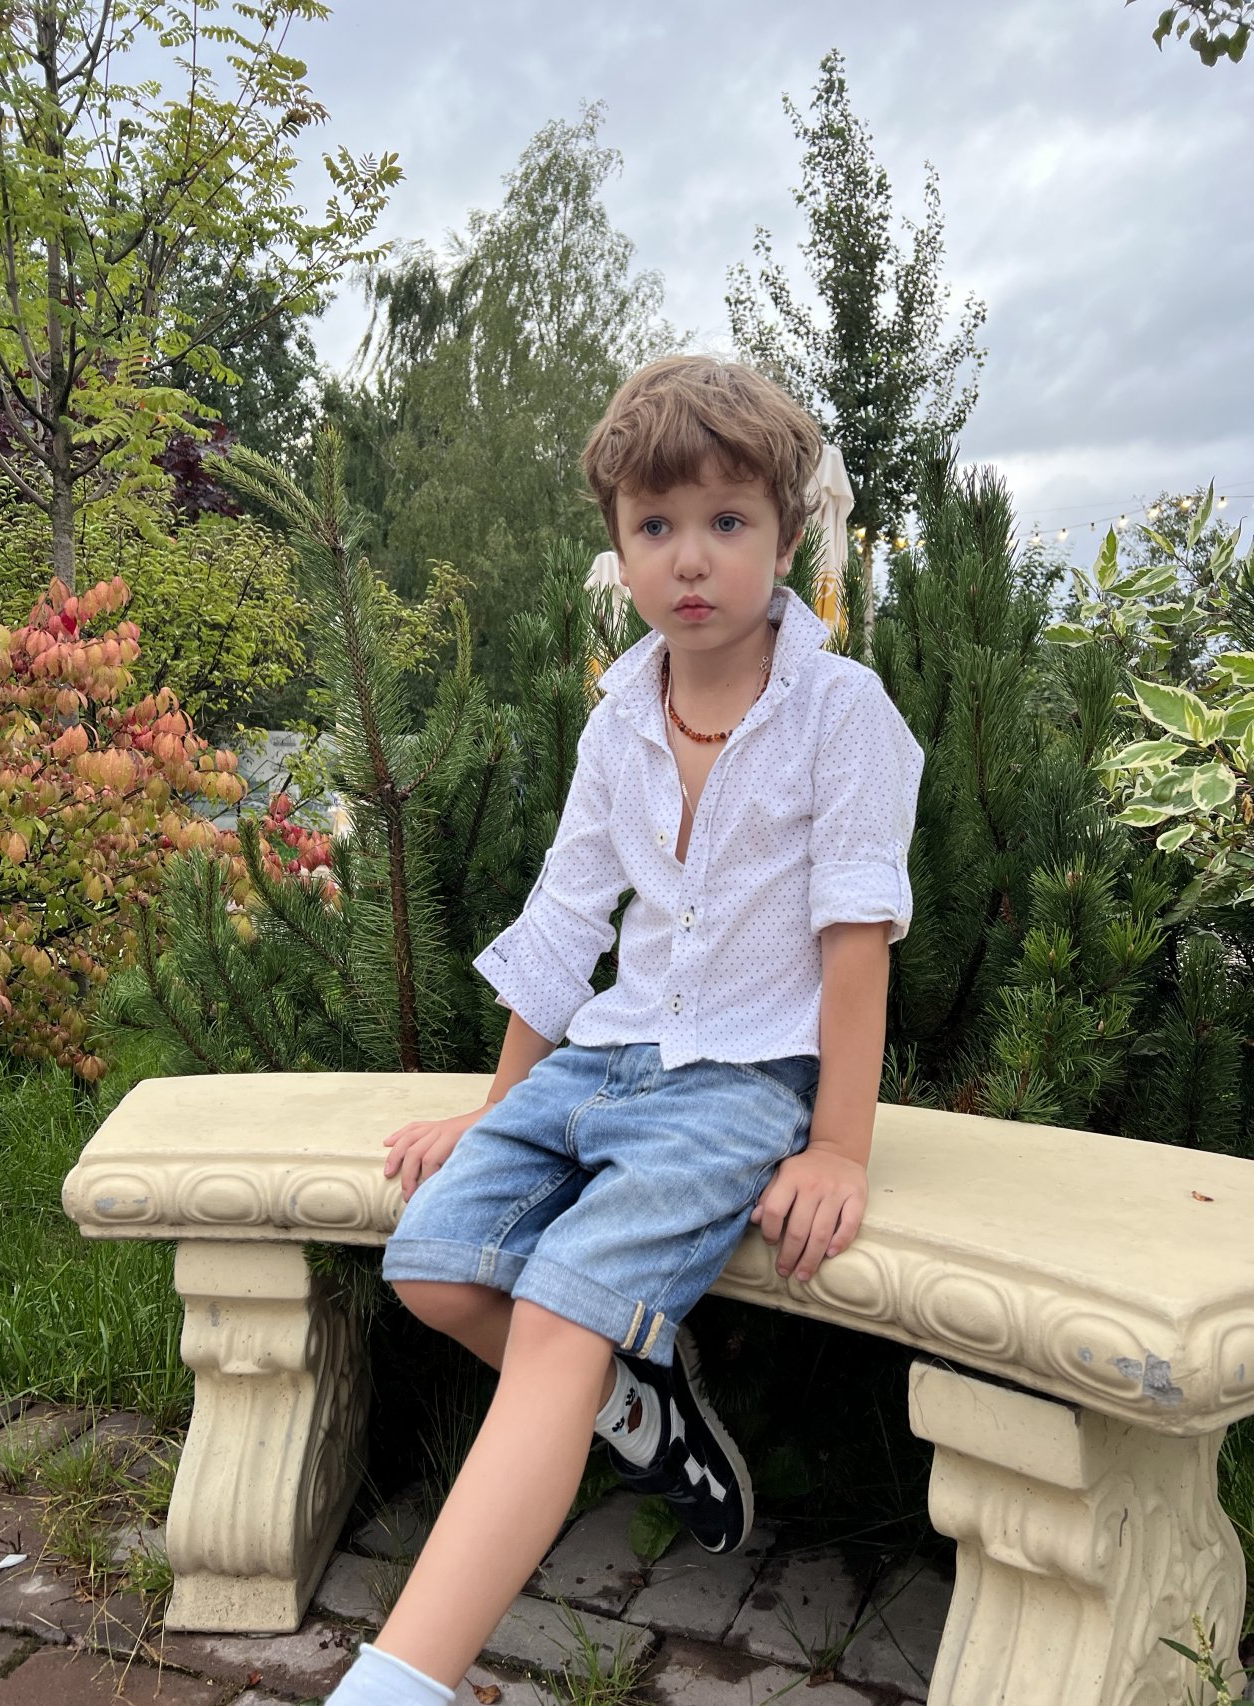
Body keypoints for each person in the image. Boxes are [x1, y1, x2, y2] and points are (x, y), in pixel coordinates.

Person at [325, 355, 924, 1706]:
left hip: (742, 1079)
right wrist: (498, 1107)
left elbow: (855, 943)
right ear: (619, 544)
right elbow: (562, 921)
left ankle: (399, 1681)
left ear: (786, 537)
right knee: (433, 1264)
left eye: (728, 521)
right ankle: (646, 1410)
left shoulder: (841, 714)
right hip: (608, 1057)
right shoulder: (619, 719)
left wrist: (838, 1145)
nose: (691, 558)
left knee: (553, 1315)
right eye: (656, 525)